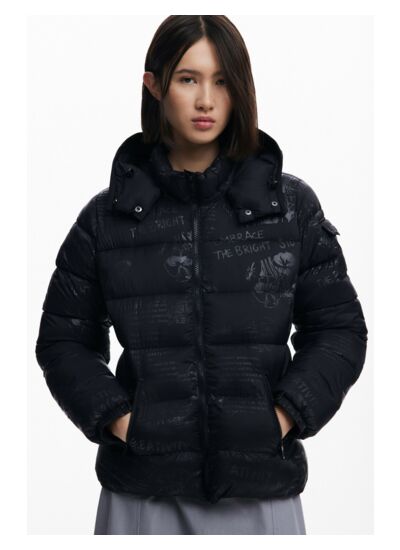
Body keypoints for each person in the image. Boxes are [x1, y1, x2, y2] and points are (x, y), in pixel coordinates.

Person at [35, 15, 368, 535]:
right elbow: (63, 340)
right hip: (141, 494)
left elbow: (339, 329)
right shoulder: (106, 219)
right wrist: (122, 423)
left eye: (222, 81)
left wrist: (282, 418)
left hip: (261, 492)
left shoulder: (291, 209)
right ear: (154, 85)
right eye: (188, 79)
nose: (206, 100)